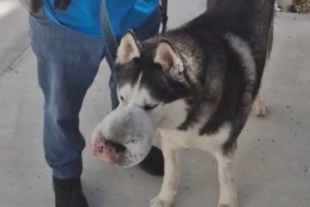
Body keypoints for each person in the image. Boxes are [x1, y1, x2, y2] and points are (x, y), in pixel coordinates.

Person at [19, 0, 165, 206]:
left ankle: (129, 145)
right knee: (60, 106)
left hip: (137, 14)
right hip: (65, 19)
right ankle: (65, 175)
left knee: (137, 99)